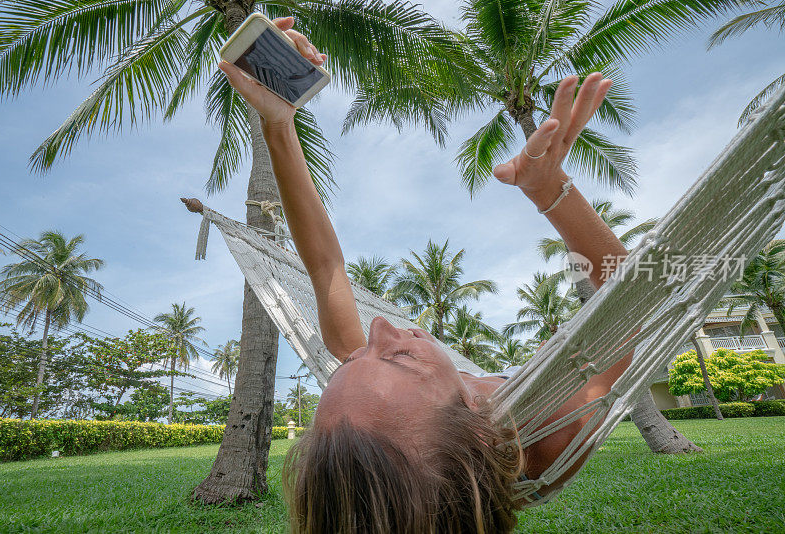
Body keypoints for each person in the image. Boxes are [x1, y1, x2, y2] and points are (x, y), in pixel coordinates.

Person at [216, 16, 633, 534]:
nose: (377, 331)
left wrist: (276, 124)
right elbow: (635, 308)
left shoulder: (371, 412)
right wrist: (552, 191)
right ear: (478, 432)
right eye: (399, 358)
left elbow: (324, 265)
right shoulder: (552, 431)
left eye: (349, 362)